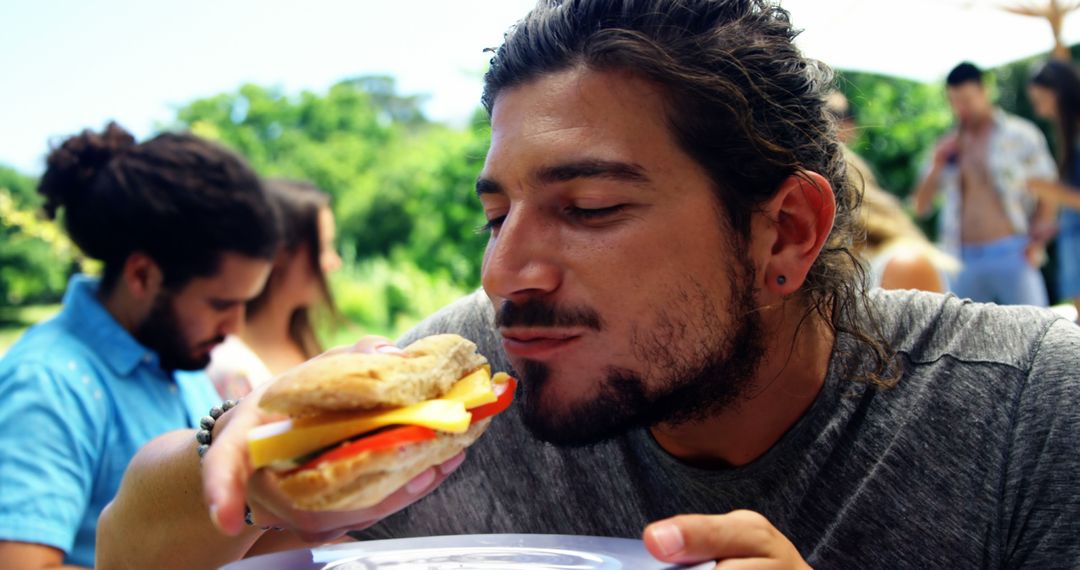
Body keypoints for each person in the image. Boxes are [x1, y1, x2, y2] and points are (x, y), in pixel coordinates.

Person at [98, 2, 1080, 568]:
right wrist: (251, 456)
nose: (504, 271)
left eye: (591, 208)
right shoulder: (478, 377)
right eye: (498, 215)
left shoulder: (1032, 408)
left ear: (785, 233)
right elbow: (132, 545)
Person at [0, 123, 280, 568]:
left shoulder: (174, 361)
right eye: (220, 303)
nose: (234, 327)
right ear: (142, 275)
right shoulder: (49, 383)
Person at [912, 61, 1058, 306]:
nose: (961, 108)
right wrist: (937, 165)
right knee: (966, 341)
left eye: (967, 99)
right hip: (961, 258)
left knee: (1033, 333)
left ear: (984, 91)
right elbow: (919, 206)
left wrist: (1039, 238)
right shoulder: (947, 145)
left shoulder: (1021, 134)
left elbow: (1049, 188)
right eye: (955, 101)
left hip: (1013, 251)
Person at [206, 179, 343, 400]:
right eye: (323, 248)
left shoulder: (302, 338)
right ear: (280, 254)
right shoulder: (233, 367)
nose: (335, 262)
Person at [826, 90, 956, 292]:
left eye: (836, 115)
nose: (831, 123)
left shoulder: (902, 264)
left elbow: (919, 207)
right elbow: (920, 204)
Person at [1027, 59, 1080, 319]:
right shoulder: (1068, 134)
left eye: (1040, 100)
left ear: (1056, 92)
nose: (1039, 110)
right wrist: (1053, 227)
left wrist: (1045, 189)